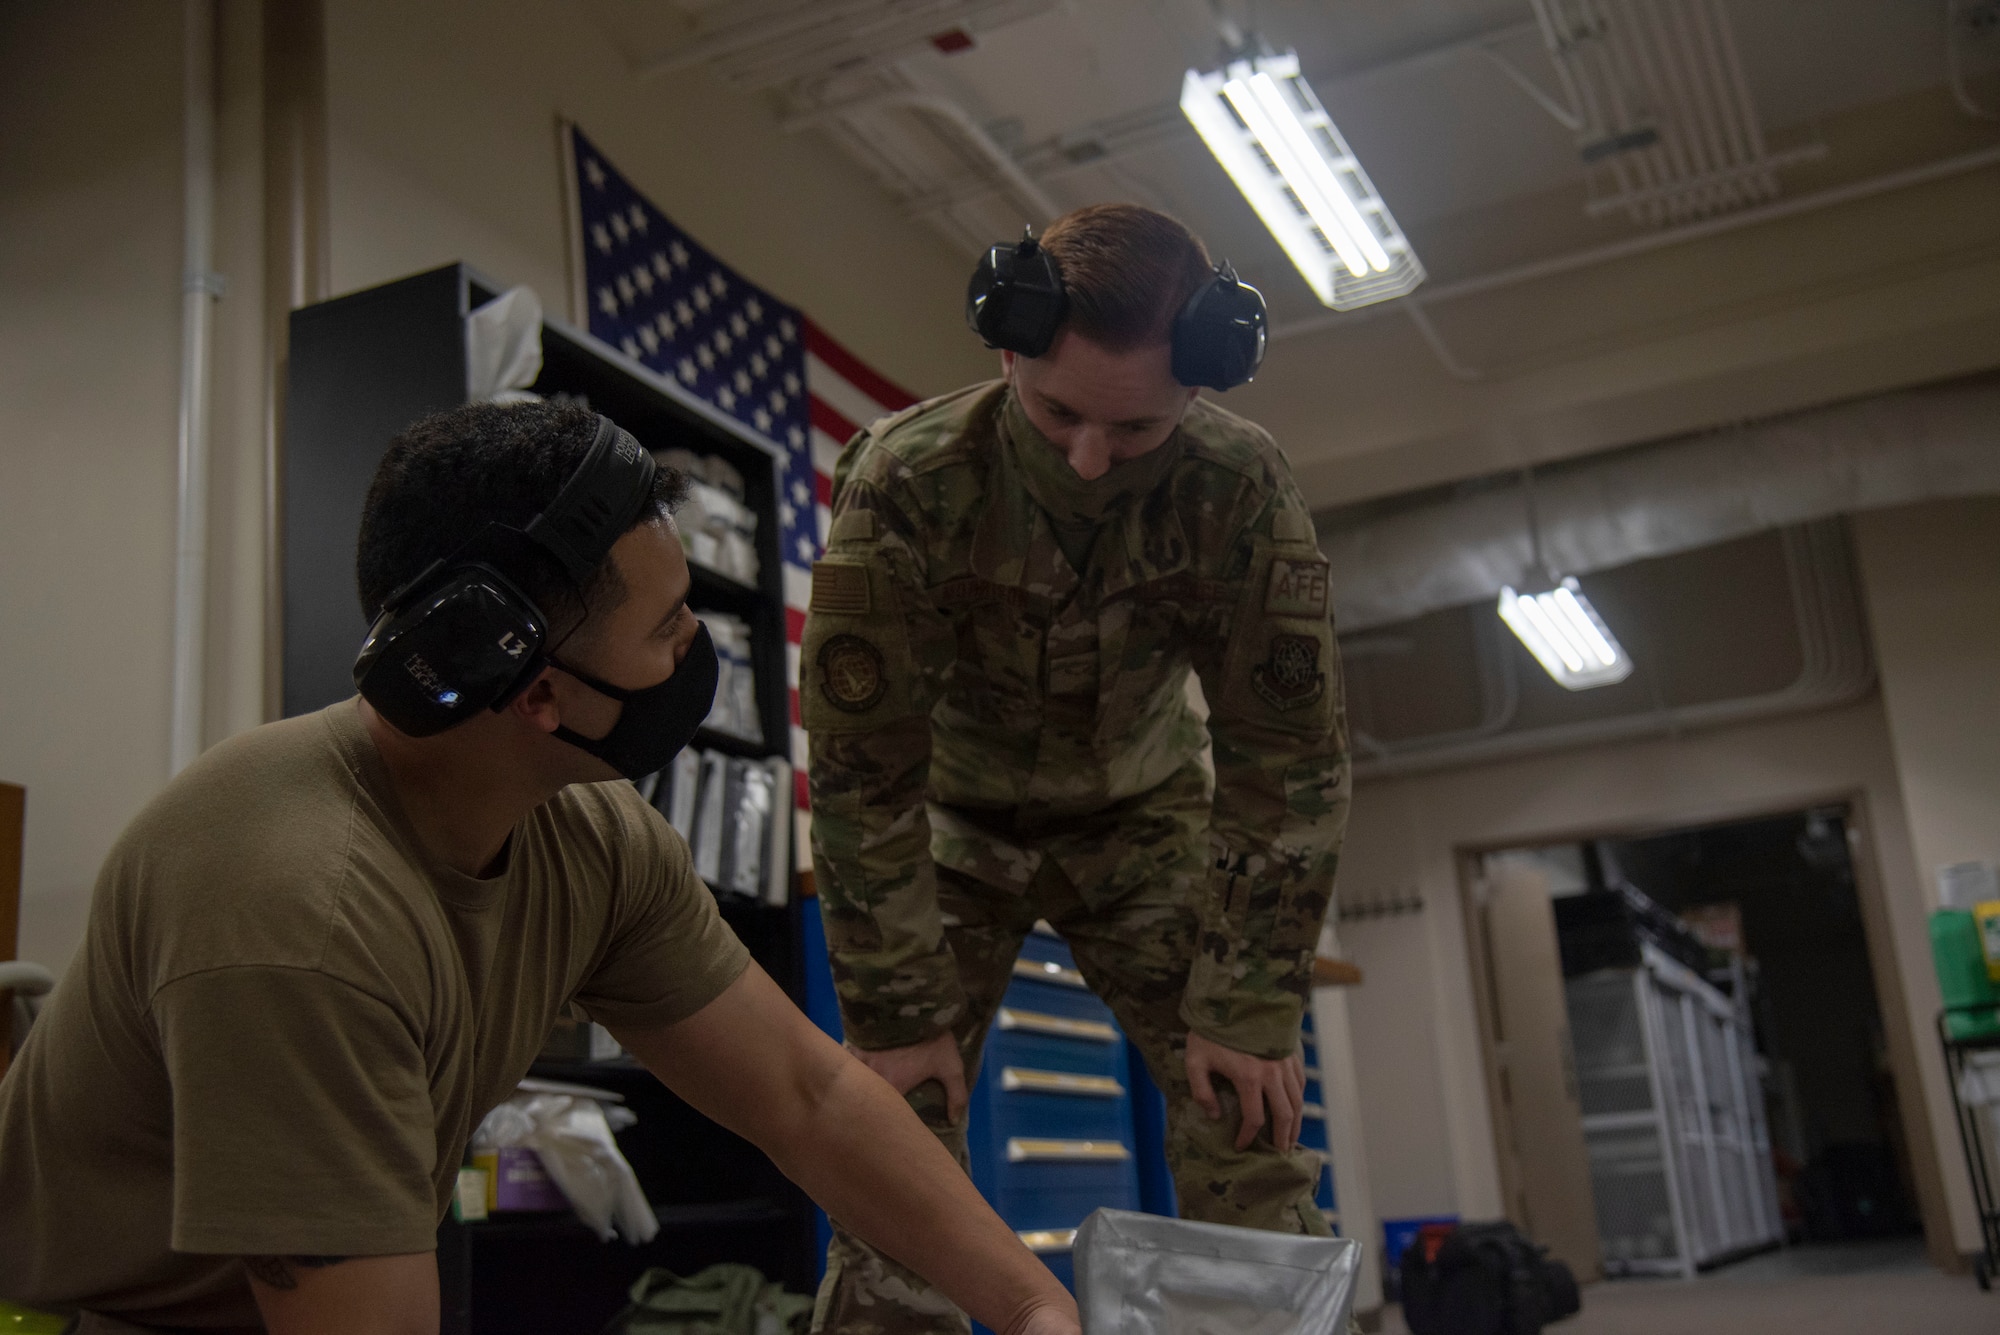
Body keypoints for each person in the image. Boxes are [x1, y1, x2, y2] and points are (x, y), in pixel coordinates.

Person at [0, 402, 1081, 1335]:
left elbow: (805, 1097)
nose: (689, 651)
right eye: (664, 629)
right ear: (529, 689)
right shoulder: (303, 912)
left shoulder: (588, 830)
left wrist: (1029, 1303)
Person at [801, 203, 1350, 1335]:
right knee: (893, 1139)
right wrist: (898, 1014)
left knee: (1243, 1120)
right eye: (1054, 414)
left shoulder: (1239, 491)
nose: (1090, 459)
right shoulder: (907, 482)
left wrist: (1244, 1009)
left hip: (1141, 819)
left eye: (1135, 430)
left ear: (1197, 390)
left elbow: (1283, 763)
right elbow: (864, 777)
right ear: (1007, 348)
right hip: (950, 826)